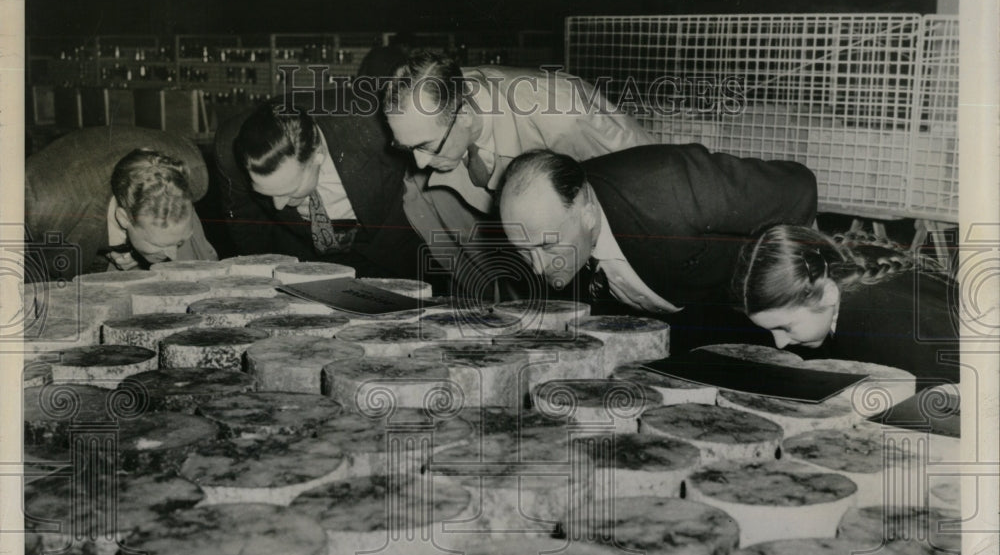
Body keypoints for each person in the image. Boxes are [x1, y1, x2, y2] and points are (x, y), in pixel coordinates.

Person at [382, 50, 655, 292]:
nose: (418, 164)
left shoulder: (564, 115)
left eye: (427, 146)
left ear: (464, 115)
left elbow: (648, 178)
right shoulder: (437, 100)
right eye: (408, 148)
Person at [498, 146, 818, 350]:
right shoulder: (560, 224)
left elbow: (797, 187)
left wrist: (799, 289)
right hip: (675, 316)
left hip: (742, 311)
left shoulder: (673, 188)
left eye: (545, 246)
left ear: (588, 214)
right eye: (524, 251)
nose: (537, 267)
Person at [214, 90, 428, 281]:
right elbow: (248, 225)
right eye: (266, 193)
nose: (278, 206)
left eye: (290, 191)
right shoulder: (230, 150)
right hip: (304, 256)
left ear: (318, 155)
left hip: (390, 250)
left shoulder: (378, 128)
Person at [733, 224, 960, 386]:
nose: (780, 344)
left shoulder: (882, 324)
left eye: (785, 327)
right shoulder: (846, 272)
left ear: (827, 294)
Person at [105, 149, 218, 270]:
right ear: (124, 218)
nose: (174, 257)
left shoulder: (194, 181)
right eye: (157, 244)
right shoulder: (87, 218)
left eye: (180, 242)